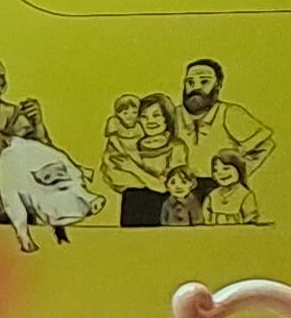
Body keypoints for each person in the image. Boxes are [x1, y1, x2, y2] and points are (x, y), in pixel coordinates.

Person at [175, 57, 271, 225]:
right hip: (182, 189)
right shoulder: (174, 115)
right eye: (190, 82)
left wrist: (237, 170)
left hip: (218, 187)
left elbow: (264, 144)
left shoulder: (229, 113)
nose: (196, 87)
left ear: (218, 85)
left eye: (204, 81)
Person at [102, 91, 187, 227]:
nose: (150, 121)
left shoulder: (176, 146)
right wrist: (153, 179)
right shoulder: (126, 145)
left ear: (166, 118)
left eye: (156, 115)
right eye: (144, 117)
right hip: (133, 204)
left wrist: (133, 168)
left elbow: (166, 187)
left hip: (165, 207)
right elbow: (115, 178)